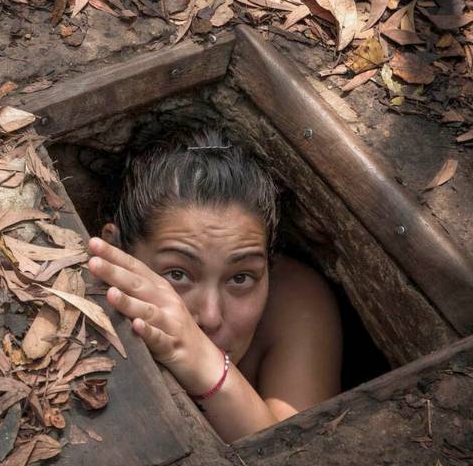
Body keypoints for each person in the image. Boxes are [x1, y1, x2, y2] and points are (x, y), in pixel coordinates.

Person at [87, 127, 342, 443]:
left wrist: (206, 366)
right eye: (178, 274)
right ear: (118, 253)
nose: (209, 317)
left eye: (240, 278)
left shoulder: (295, 302)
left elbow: (303, 464)